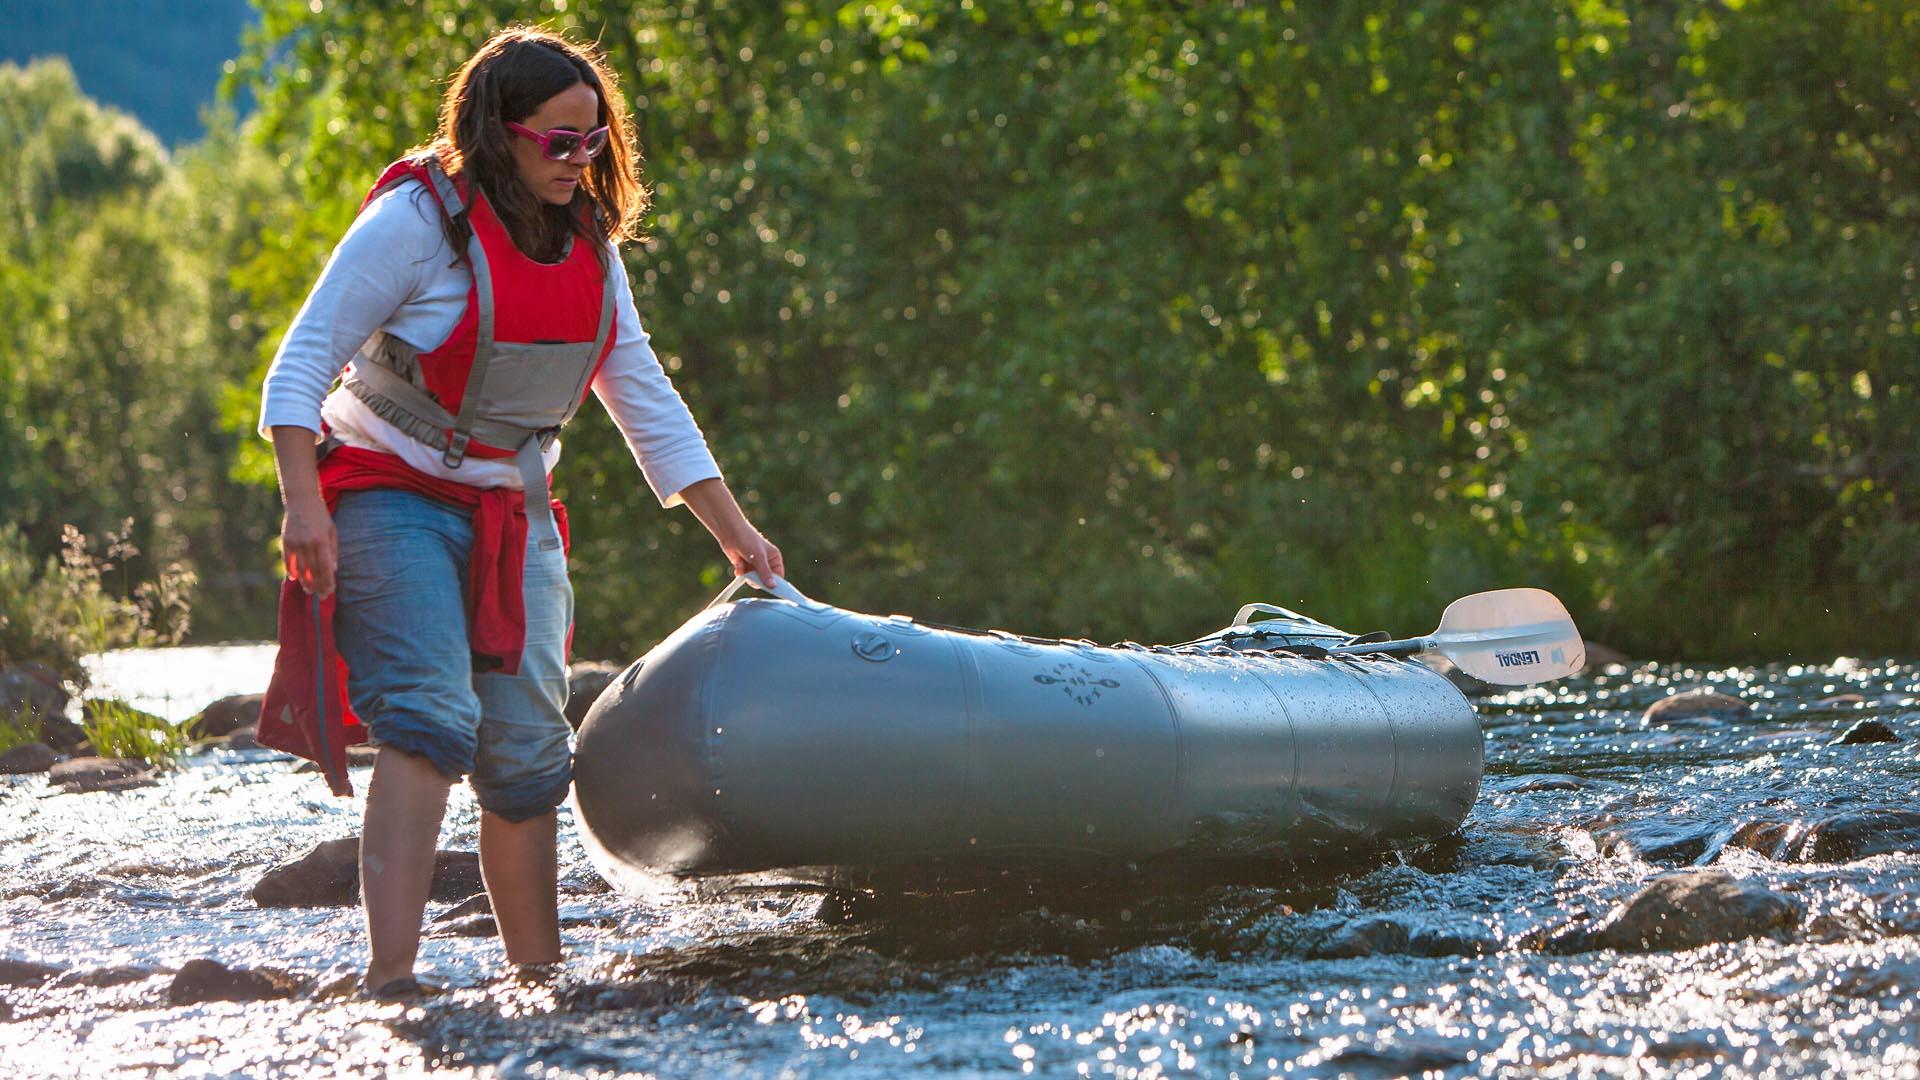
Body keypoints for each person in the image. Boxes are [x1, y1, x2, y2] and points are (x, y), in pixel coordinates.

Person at [258, 26, 783, 998]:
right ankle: (391, 980)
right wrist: (304, 510)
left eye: (594, 141)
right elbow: (295, 370)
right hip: (385, 495)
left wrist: (737, 535)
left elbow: (646, 401)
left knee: (532, 754)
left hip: (513, 507)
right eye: (559, 142)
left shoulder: (590, 245)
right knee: (428, 722)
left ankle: (537, 981)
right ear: (501, 134)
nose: (580, 162)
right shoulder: (415, 225)